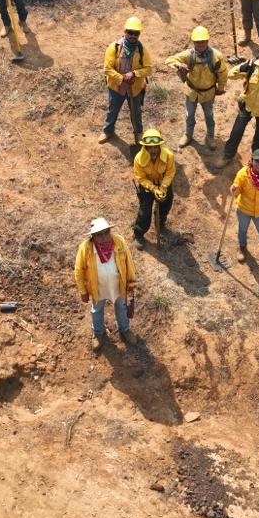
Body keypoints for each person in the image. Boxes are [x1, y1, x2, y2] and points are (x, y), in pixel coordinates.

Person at [74, 217, 137, 352]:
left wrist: (131, 282)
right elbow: (79, 270)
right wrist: (83, 291)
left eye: (106, 232)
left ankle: (125, 329)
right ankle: (98, 332)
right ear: (93, 236)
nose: (104, 237)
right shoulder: (85, 248)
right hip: (98, 288)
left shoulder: (119, 241)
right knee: (97, 310)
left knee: (122, 306)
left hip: (118, 285)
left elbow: (129, 262)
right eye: (99, 235)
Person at [220, 41, 259, 167]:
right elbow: (231, 75)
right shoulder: (251, 65)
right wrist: (241, 68)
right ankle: (227, 156)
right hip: (247, 105)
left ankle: (255, 160)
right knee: (236, 132)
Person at [165, 26, 228, 148]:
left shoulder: (216, 56)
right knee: (189, 115)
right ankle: (188, 135)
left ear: (207, 41)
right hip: (191, 92)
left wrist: (220, 87)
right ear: (193, 42)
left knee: (209, 115)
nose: (200, 44)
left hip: (208, 92)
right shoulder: (189, 55)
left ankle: (210, 137)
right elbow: (169, 60)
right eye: (197, 42)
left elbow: (222, 73)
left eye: (203, 41)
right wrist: (179, 65)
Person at [100, 16, 152, 145]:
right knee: (113, 110)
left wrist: (134, 73)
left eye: (136, 33)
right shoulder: (114, 47)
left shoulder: (142, 50)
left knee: (136, 113)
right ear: (125, 31)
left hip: (135, 89)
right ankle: (108, 131)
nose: (133, 36)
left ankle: (138, 133)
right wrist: (122, 78)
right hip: (116, 87)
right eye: (130, 32)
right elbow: (107, 69)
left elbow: (148, 69)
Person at [132, 128, 176, 247]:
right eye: (150, 147)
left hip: (164, 184)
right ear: (145, 147)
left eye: (155, 147)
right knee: (145, 211)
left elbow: (170, 173)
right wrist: (153, 188)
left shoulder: (169, 156)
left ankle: (160, 225)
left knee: (166, 204)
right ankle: (139, 233)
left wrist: (164, 187)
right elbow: (140, 178)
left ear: (160, 146)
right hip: (147, 186)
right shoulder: (138, 159)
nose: (153, 150)